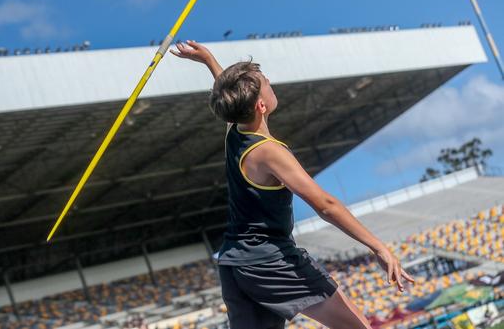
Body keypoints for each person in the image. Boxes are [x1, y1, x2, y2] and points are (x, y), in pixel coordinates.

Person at [170, 40, 416, 329]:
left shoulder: (235, 132)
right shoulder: (269, 152)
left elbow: (232, 95)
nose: (270, 82)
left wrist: (210, 61)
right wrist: (378, 247)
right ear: (261, 105)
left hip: (235, 265)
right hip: (271, 261)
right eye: (266, 83)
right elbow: (325, 205)